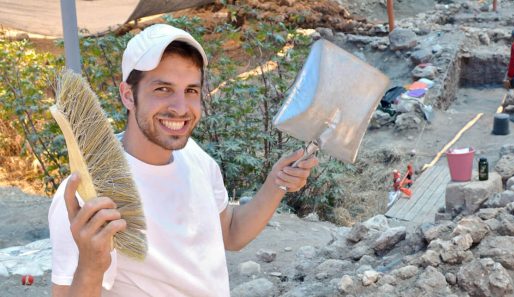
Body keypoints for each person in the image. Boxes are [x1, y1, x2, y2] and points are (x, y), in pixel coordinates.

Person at [48, 23, 318, 297]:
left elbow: (231, 232)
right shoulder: (89, 192)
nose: (180, 108)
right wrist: (92, 265)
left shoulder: (194, 157)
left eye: (190, 90)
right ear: (128, 95)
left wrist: (276, 182)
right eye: (163, 89)